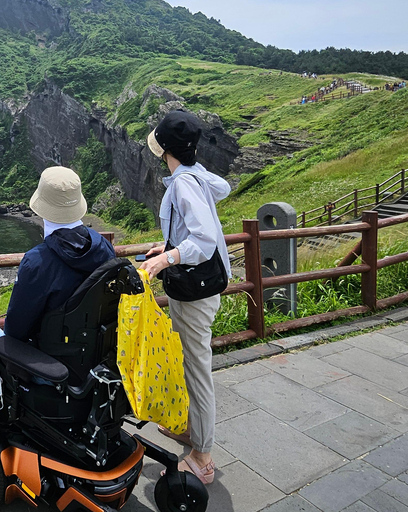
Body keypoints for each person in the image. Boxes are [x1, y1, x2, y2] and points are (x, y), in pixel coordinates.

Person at [0, 166, 116, 418]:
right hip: (94, 362)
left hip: (51, 368)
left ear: (41, 208)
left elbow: (15, 332)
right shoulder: (104, 249)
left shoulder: (38, 261)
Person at [140, 109, 231, 485]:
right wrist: (168, 244)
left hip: (195, 295)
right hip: (199, 290)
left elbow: (205, 239)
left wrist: (166, 257)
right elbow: (222, 189)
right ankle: (191, 431)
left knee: (197, 371)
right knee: (189, 362)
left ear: (165, 149)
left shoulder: (183, 184)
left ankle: (202, 456)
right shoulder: (195, 177)